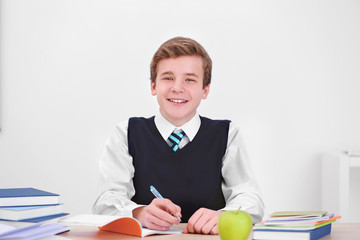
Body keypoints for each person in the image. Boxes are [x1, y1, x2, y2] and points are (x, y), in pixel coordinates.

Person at [92, 36, 264, 235]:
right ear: (153, 86)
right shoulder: (126, 133)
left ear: (205, 90)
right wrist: (138, 213)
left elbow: (251, 199)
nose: (177, 88)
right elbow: (104, 202)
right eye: (168, 78)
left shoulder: (226, 134)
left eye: (190, 79)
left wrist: (224, 215)